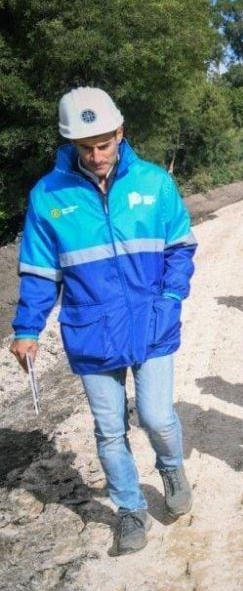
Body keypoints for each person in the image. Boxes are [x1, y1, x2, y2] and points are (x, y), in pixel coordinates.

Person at [10, 87, 197, 554]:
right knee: (109, 428)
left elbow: (180, 247)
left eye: (103, 144)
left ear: (120, 132)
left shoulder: (154, 183)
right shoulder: (47, 197)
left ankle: (171, 467)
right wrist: (28, 329)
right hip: (91, 330)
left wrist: (170, 298)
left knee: (155, 415)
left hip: (152, 322)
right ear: (71, 144)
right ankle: (130, 510)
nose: (95, 156)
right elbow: (38, 270)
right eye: (85, 147)